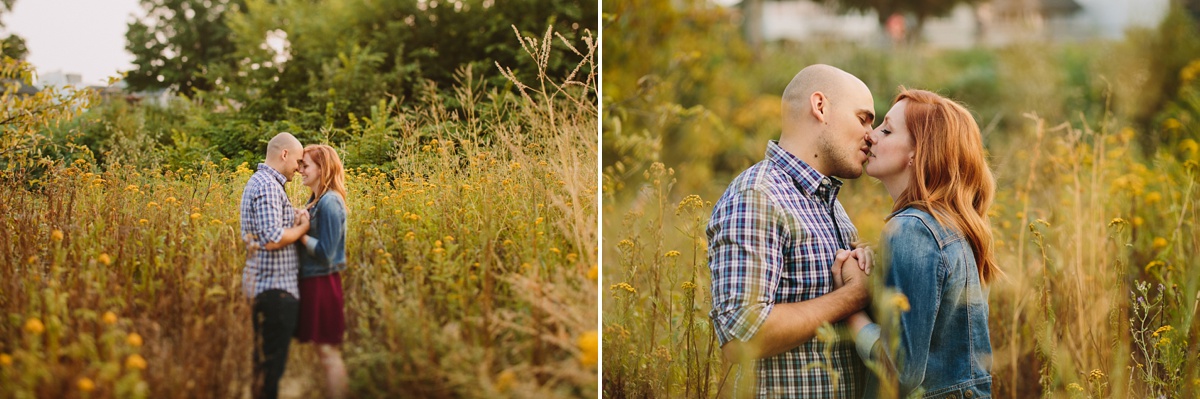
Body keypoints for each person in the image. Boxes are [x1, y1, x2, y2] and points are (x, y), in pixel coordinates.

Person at [707, 64, 876, 398]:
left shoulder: (831, 206)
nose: (871, 134)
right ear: (820, 106)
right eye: (863, 118)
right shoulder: (758, 196)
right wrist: (852, 297)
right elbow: (741, 336)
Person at [836, 88, 997, 398]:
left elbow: (901, 371)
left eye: (886, 129)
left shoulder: (913, 230)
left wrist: (850, 310)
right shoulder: (943, 226)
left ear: (918, 152)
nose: (872, 137)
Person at [240, 132, 310, 399]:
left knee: (264, 368)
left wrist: (293, 215)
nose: (299, 167)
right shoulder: (268, 186)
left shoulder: (264, 183)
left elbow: (270, 226)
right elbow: (272, 238)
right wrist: (303, 226)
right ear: (284, 155)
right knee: (270, 370)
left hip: (264, 287)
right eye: (298, 160)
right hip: (274, 291)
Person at [294, 144, 350, 398]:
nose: (300, 170)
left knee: (328, 353)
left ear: (322, 168)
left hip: (323, 282)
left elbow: (327, 251)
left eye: (305, 165)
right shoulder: (315, 201)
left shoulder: (329, 202)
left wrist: (302, 235)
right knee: (321, 351)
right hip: (312, 280)